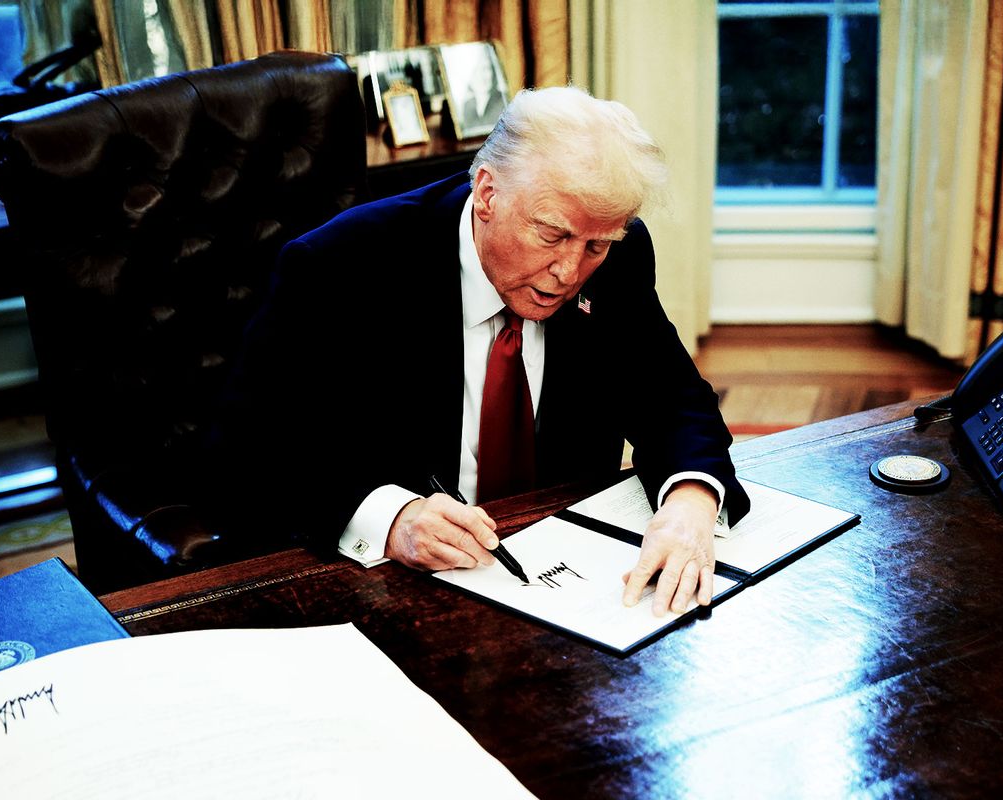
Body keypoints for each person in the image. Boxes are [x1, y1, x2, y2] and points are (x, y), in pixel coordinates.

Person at [212, 86, 750, 617]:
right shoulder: (342, 264)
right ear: (488, 194)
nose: (569, 272)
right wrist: (392, 518)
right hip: (391, 593)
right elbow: (249, 450)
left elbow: (672, 397)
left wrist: (691, 504)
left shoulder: (618, 257)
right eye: (552, 235)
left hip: (567, 581)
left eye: (595, 246)